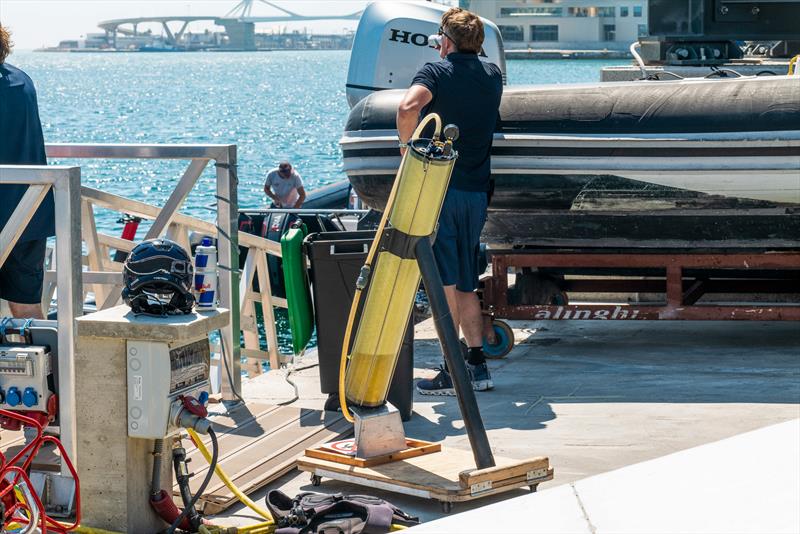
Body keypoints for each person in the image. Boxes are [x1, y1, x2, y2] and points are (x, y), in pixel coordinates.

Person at [396, 7, 503, 395]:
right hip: (476, 192)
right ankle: (477, 366)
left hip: (440, 190)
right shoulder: (493, 75)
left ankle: (450, 370)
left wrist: (408, 149)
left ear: (446, 41)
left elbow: (408, 107)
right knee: (466, 283)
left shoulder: (436, 71)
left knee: (443, 283)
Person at [0, 24, 53, 319]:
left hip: (9, 210)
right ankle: (50, 364)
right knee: (27, 308)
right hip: (29, 212)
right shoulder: (22, 80)